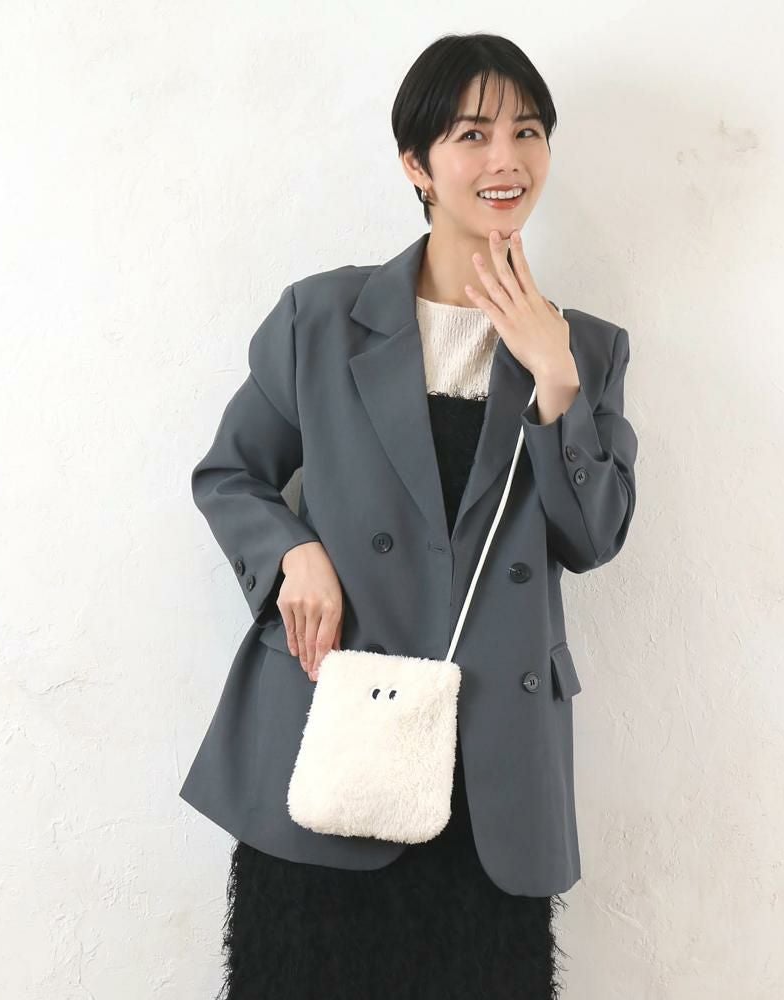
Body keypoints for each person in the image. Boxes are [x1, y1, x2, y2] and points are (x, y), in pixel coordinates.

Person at [184, 32, 639, 999]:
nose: (506, 158)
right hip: (334, 743)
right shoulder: (320, 319)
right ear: (416, 165)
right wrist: (293, 552)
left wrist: (554, 378)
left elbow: (591, 536)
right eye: (472, 134)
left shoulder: (587, 351)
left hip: (492, 777)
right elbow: (232, 474)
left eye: (527, 131)